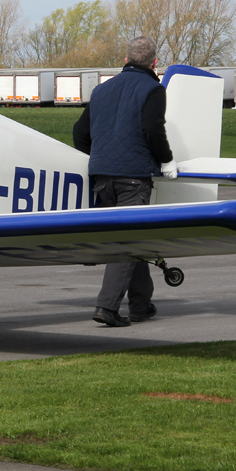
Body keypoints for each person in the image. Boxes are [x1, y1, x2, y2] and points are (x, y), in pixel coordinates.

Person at [72, 36, 176, 327]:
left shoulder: (102, 89)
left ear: (127, 58)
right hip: (134, 177)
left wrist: (102, 158)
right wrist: (166, 160)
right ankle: (107, 307)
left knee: (130, 235)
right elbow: (152, 129)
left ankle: (141, 304)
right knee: (127, 241)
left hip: (102, 177)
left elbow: (80, 133)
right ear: (154, 63)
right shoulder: (153, 89)